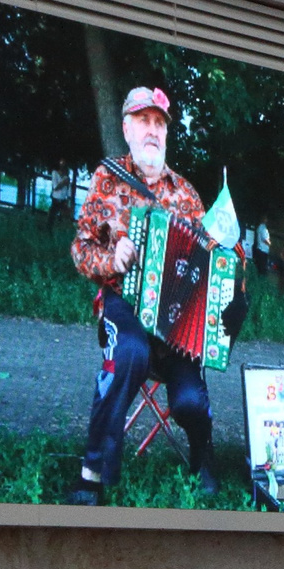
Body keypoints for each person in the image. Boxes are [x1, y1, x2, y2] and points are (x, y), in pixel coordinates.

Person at [64, 86, 245, 506]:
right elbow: (80, 249)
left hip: (177, 321)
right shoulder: (107, 180)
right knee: (128, 353)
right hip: (123, 306)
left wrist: (231, 275)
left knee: (188, 401)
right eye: (144, 121)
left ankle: (202, 454)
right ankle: (93, 471)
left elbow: (217, 254)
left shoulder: (186, 193)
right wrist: (113, 259)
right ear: (127, 129)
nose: (153, 131)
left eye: (159, 123)